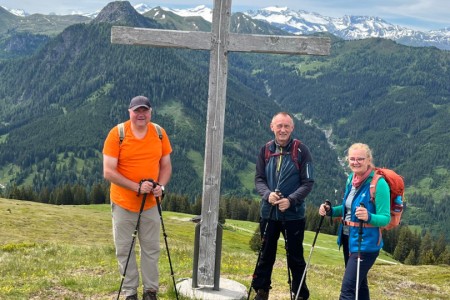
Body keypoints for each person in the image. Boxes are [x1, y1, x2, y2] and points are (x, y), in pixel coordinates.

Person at [103, 95, 172, 300]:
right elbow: (108, 171)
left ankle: (151, 292)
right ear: (129, 112)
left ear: (150, 112)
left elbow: (166, 165)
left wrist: (161, 186)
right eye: (137, 111)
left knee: (151, 249)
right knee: (125, 249)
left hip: (151, 203)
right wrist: (136, 187)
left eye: (145, 110)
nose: (141, 114)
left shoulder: (159, 133)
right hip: (123, 203)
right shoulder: (118, 134)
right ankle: (129, 292)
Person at [253, 112, 315, 300]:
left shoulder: (302, 151)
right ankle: (261, 292)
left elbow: (308, 182)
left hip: (293, 215)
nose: (282, 130)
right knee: (265, 255)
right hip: (269, 213)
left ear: (292, 129)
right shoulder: (265, 150)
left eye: (286, 126)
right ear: (272, 127)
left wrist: (291, 200)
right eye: (279, 126)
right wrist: (267, 194)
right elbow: (259, 179)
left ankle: (299, 294)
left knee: (296, 257)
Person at [319, 143, 390, 300]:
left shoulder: (379, 184)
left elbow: (385, 218)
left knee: (348, 290)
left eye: (360, 159)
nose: (355, 162)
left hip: (365, 244)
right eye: (352, 159)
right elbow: (347, 209)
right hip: (348, 239)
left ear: (368, 160)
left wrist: (369, 216)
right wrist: (330, 210)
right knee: (360, 285)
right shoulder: (351, 179)